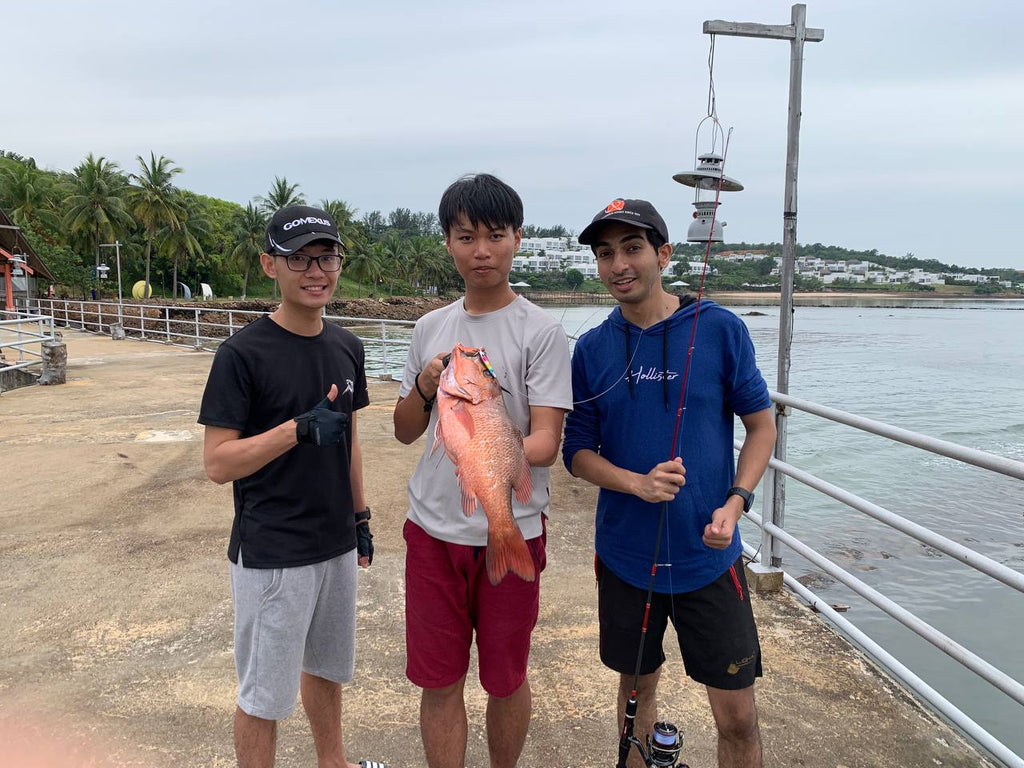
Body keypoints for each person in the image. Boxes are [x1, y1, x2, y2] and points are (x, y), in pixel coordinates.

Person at [562, 199, 776, 768]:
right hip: (627, 558)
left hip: (710, 557)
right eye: (605, 254)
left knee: (738, 718)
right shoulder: (591, 348)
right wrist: (634, 482)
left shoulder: (721, 329)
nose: (618, 265)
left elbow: (761, 426)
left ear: (663, 253)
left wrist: (736, 502)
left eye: (632, 249)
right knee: (636, 696)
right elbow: (576, 453)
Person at [393, 173, 573, 768]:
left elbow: (547, 436)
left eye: (495, 235)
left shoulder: (541, 331)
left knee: (505, 678)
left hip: (513, 525)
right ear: (447, 241)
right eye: (466, 236)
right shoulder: (428, 330)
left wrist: (506, 446)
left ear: (518, 239)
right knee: (438, 681)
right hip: (433, 531)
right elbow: (403, 429)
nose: (482, 251)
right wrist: (425, 385)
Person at [199, 205, 384, 768]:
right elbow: (218, 463)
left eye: (326, 257)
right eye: (299, 258)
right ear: (269, 266)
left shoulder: (347, 347)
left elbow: (349, 440)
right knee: (264, 695)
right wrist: (293, 431)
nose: (316, 271)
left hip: (334, 544)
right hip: (272, 552)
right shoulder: (241, 355)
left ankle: (335, 762)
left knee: (327, 670)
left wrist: (360, 517)